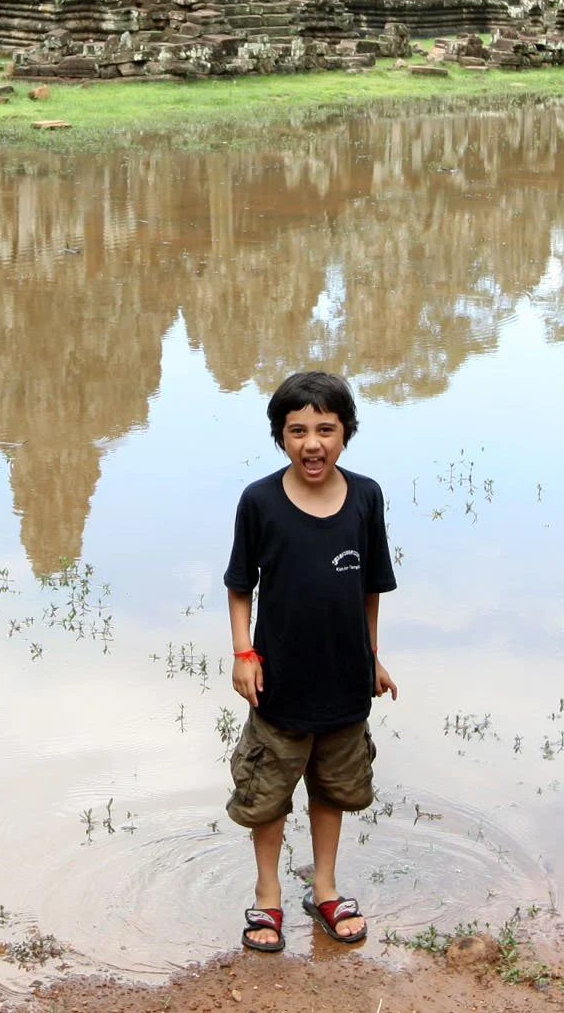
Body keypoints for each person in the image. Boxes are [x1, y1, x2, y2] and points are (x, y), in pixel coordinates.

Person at [223, 370, 397, 952]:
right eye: (297, 430)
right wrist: (244, 653)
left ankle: (323, 887)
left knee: (333, 790)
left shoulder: (367, 497)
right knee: (268, 792)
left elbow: (371, 587)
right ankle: (268, 894)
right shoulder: (260, 501)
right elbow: (240, 585)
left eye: (326, 428)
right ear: (280, 437)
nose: (312, 443)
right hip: (280, 684)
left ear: (346, 432)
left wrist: (373, 657)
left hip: (346, 683)